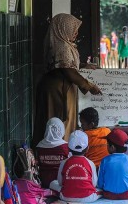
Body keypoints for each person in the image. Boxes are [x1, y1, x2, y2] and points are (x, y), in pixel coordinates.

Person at [33, 13, 102, 148]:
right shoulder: (62, 47)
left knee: (59, 120)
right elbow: (68, 70)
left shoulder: (62, 43)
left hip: (60, 88)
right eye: (73, 29)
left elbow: (65, 64)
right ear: (63, 28)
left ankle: (58, 149)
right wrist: (89, 86)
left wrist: (83, 65)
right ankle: (57, 150)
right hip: (57, 90)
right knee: (58, 120)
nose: (76, 33)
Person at [50, 130, 102, 202]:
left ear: (68, 148)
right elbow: (94, 184)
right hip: (88, 198)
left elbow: (60, 182)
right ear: (87, 149)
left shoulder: (63, 162)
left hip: (66, 196)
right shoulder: (90, 163)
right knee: (101, 190)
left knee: (52, 183)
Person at [35, 117, 69, 188]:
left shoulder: (39, 146)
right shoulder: (66, 147)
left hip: (44, 183)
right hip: (61, 183)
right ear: (61, 130)